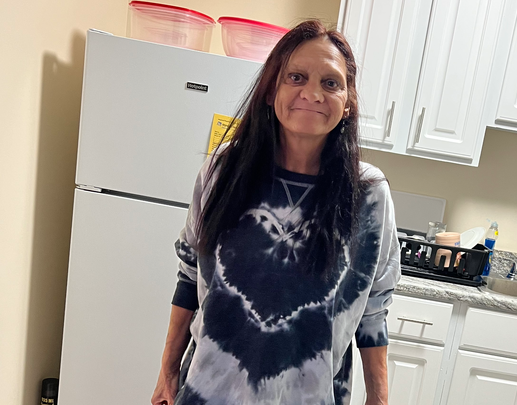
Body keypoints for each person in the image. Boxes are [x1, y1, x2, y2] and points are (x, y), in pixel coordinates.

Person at [150, 20, 401, 405]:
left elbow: (374, 308)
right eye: (296, 77)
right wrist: (167, 372)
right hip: (207, 393)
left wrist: (379, 399)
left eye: (330, 83)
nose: (312, 93)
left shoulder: (368, 195)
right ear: (271, 90)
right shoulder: (222, 171)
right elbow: (188, 276)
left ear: (348, 103)